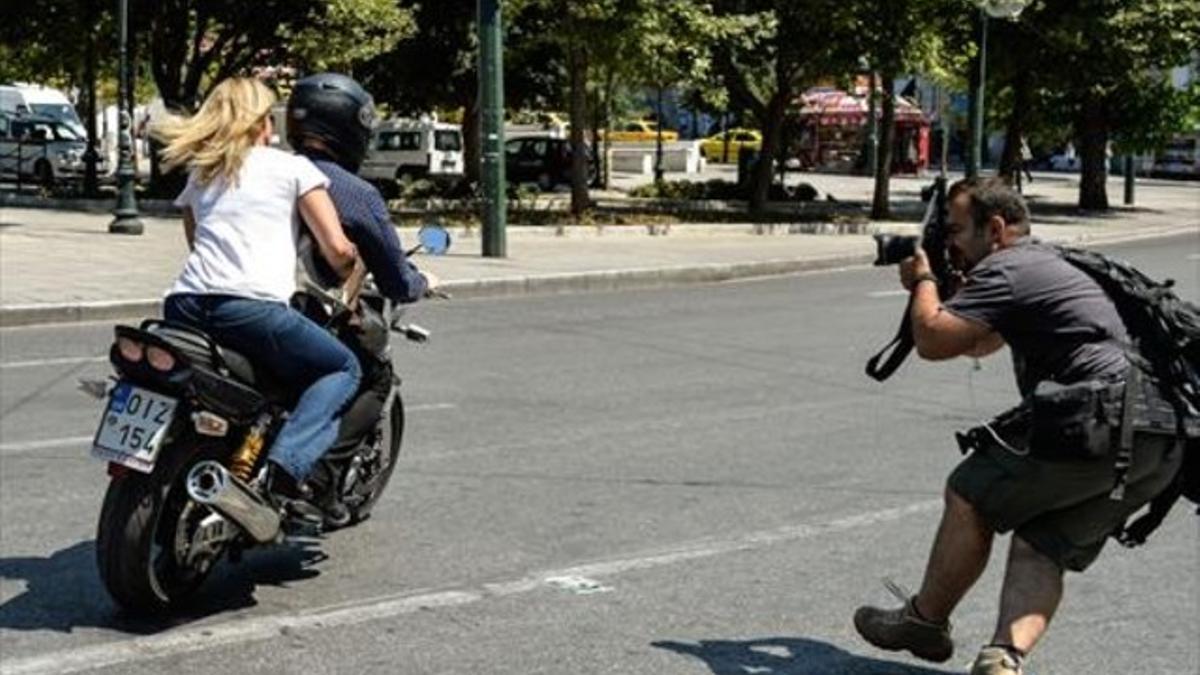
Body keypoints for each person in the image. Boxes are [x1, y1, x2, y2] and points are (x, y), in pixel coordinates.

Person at [852, 178, 1182, 675]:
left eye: (958, 230)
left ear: (997, 228)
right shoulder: (1051, 262)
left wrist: (923, 282)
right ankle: (1002, 659)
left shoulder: (1007, 267)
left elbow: (934, 340)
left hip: (1101, 418)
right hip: (1162, 436)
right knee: (1042, 542)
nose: (951, 244)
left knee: (969, 493)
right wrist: (951, 290)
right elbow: (980, 341)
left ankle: (924, 620)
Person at [154, 77, 363, 504]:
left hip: (183, 305)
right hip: (251, 309)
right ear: (261, 123)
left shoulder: (203, 172)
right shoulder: (294, 168)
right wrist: (350, 263)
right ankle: (287, 466)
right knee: (341, 369)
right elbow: (337, 249)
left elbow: (196, 241)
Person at [283, 72, 433, 303]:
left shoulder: (272, 172)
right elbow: (397, 282)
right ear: (349, 124)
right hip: (301, 315)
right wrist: (422, 282)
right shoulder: (356, 192)